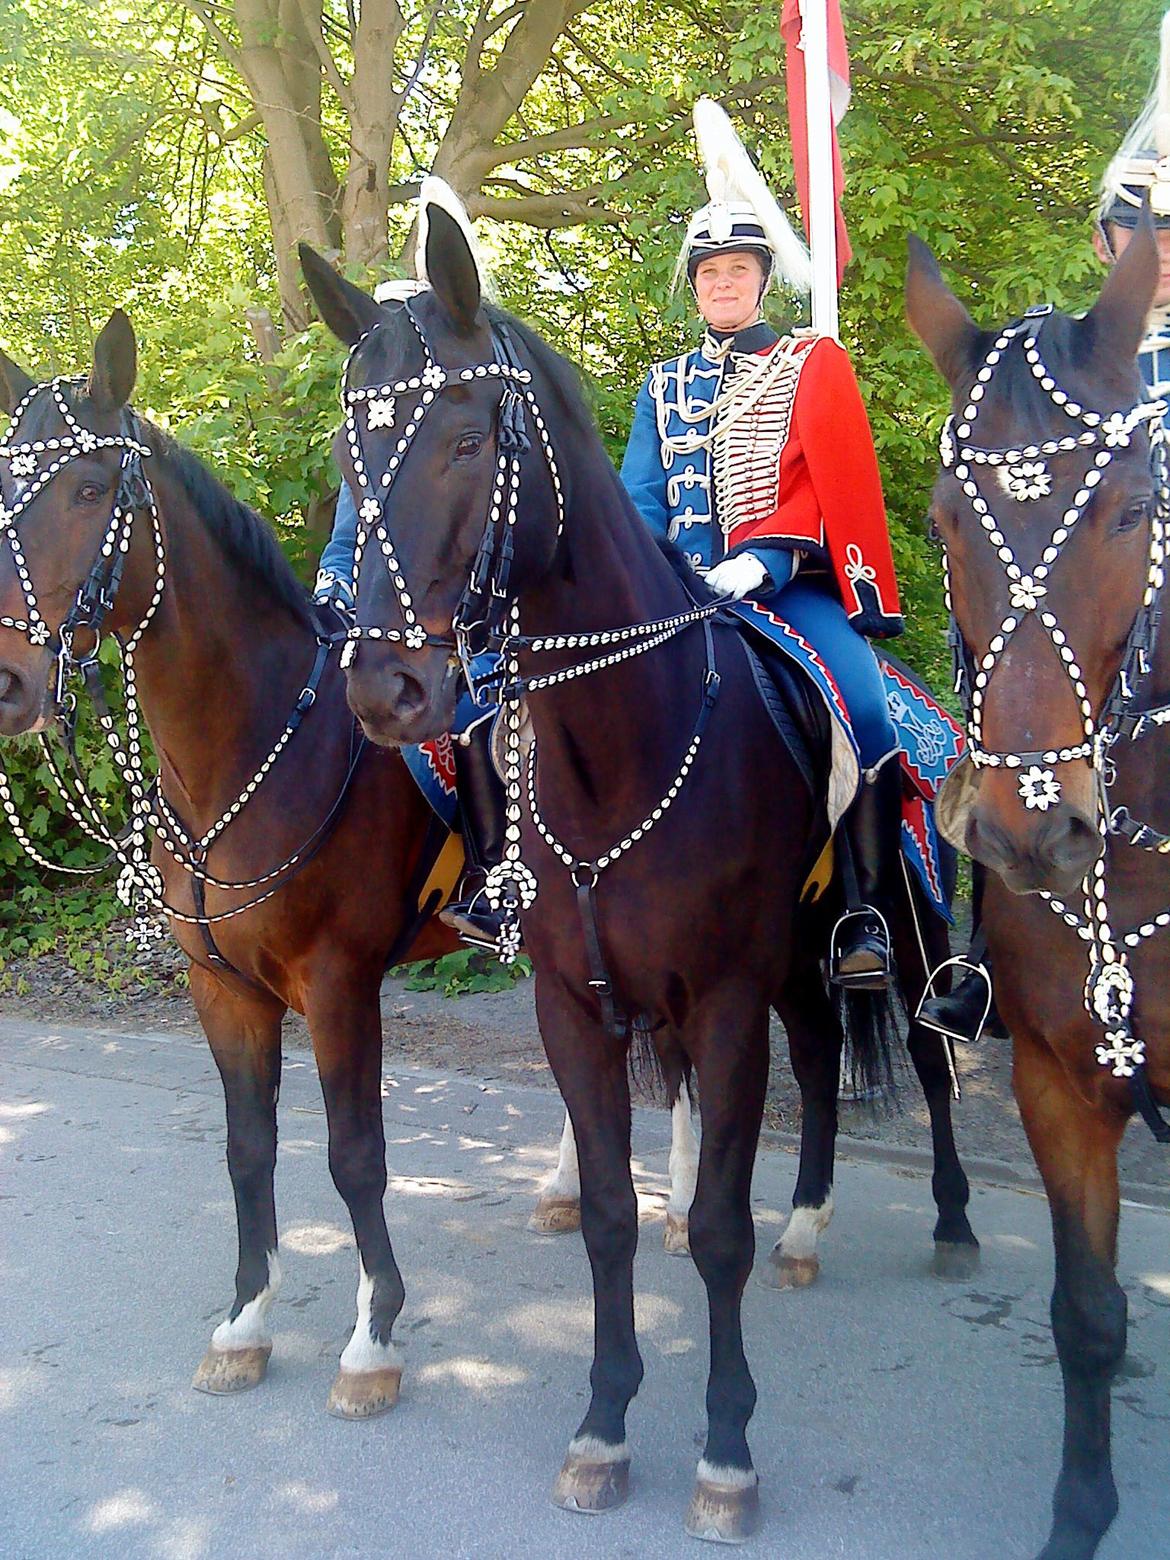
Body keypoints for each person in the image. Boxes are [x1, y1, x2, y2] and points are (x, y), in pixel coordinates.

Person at [923, 16, 1170, 1044]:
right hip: (1090, 623)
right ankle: (978, 957)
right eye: (1139, 237)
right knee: (990, 734)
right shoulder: (1065, 370)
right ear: (1111, 246)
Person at [620, 100, 904, 989]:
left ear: (761, 279)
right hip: (676, 595)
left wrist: (764, 561)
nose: (722, 285)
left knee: (865, 710)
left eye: (737, 270)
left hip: (782, 588)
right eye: (709, 274)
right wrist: (644, 574)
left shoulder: (807, 363)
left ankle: (865, 908)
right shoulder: (660, 386)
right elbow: (638, 499)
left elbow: (830, 485)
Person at [314, 280, 509, 949]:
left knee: (479, 714)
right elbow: (347, 542)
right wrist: (332, 588)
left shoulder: (464, 430)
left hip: (467, 618)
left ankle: (494, 874)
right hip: (387, 615)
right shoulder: (373, 445)